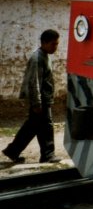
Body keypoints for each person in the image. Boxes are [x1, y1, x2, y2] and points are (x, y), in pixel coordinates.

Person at [2, 29, 60, 164]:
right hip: (41, 100)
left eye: (56, 44)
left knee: (33, 126)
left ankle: (13, 151)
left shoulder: (45, 55)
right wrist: (37, 103)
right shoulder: (38, 58)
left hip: (44, 99)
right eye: (53, 44)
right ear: (44, 43)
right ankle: (47, 155)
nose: (55, 47)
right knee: (45, 126)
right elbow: (34, 82)